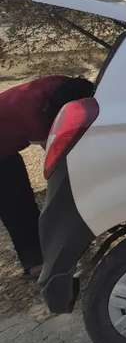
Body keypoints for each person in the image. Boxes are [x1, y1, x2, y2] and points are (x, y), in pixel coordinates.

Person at [0, 76, 94, 277]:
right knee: (16, 207)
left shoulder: (60, 86)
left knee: (23, 201)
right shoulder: (35, 116)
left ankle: (42, 256)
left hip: (6, 144)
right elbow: (55, 158)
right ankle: (36, 264)